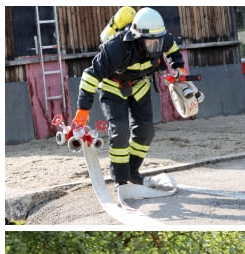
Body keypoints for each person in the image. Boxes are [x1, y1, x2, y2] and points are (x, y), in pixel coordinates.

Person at [73, 7, 186, 189]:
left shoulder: (161, 38)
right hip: (113, 87)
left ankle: (132, 173)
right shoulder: (116, 48)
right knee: (120, 131)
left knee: (146, 131)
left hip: (140, 85)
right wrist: (82, 110)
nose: (156, 46)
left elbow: (173, 49)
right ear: (138, 39)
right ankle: (120, 180)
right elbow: (89, 76)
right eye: (151, 43)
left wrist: (179, 67)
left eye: (159, 41)